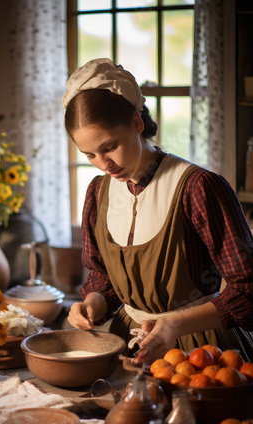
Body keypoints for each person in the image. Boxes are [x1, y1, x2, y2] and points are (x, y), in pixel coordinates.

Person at [62, 58, 253, 364]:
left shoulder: (198, 188)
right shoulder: (98, 194)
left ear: (137, 123)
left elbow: (248, 289)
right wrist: (92, 304)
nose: (103, 164)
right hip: (128, 344)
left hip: (201, 351)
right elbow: (103, 278)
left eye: (110, 147)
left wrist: (174, 324)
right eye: (90, 155)